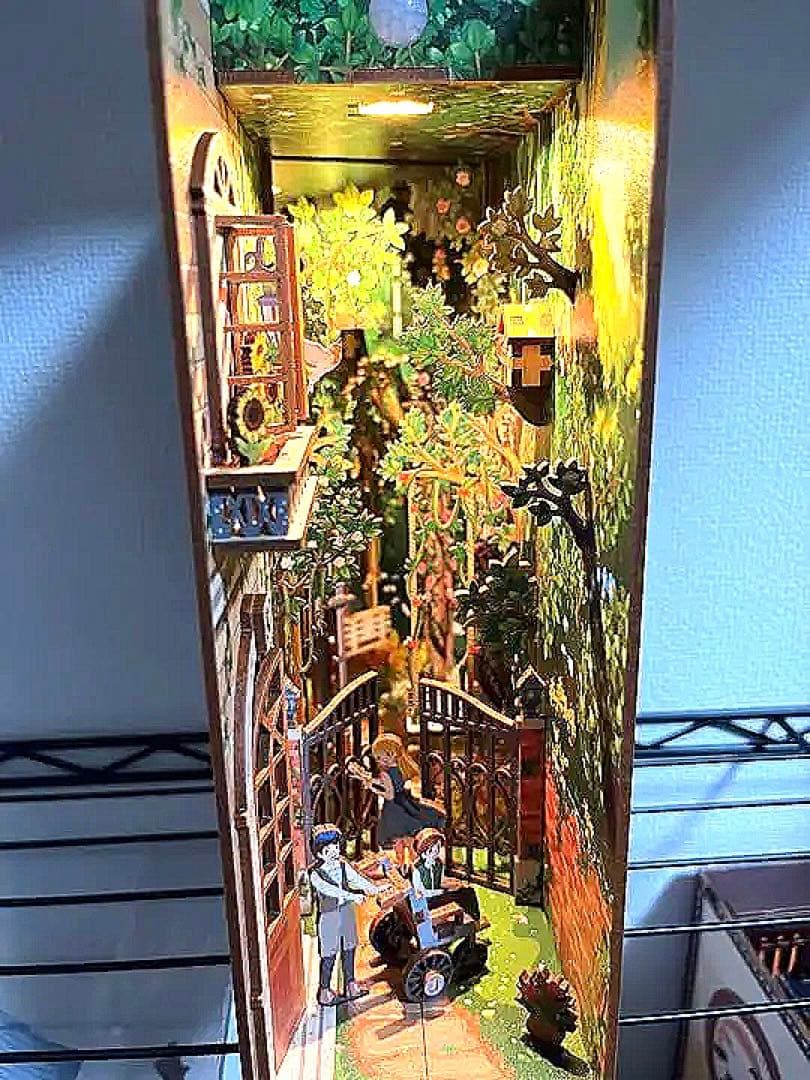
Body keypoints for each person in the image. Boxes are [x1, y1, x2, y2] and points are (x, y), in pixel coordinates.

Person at [309, 824, 382, 1006]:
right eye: (328, 850)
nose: (333, 852)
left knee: (350, 947)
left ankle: (351, 985)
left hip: (346, 912)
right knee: (329, 954)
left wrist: (375, 889)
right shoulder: (316, 875)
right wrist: (353, 896)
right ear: (319, 854)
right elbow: (331, 890)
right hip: (329, 915)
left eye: (335, 846)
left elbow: (356, 879)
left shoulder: (342, 865)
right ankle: (324, 991)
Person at [369, 733, 445, 865]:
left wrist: (374, 789)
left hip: (394, 808)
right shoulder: (400, 769)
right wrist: (373, 782)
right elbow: (394, 786)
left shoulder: (385, 773)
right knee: (408, 839)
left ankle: (401, 865)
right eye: (378, 757)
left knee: (397, 841)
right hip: (404, 802)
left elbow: (389, 795)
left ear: (392, 754)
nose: (380, 760)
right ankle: (413, 863)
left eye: (381, 756)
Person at [411, 827, 480, 922]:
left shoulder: (435, 863)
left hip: (433, 896)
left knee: (465, 890)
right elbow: (428, 888)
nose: (436, 850)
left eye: (438, 846)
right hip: (427, 902)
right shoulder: (420, 868)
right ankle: (474, 920)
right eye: (433, 847)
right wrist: (450, 887)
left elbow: (439, 880)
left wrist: (455, 883)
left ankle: (473, 918)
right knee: (466, 893)